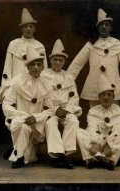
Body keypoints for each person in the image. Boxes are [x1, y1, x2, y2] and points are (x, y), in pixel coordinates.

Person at [67, 8, 120, 108]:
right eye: (101, 25)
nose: (104, 27)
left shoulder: (117, 44)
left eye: (106, 25)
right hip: (95, 86)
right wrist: (67, 81)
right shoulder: (91, 44)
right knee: (95, 116)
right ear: (98, 28)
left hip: (113, 87)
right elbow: (77, 64)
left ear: (110, 28)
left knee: (114, 116)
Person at [2, 45, 54, 169]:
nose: (35, 67)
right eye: (32, 64)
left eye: (38, 64)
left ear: (42, 67)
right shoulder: (17, 81)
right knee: (24, 129)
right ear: (28, 66)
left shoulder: (47, 85)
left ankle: (18, 152)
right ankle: (18, 156)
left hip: (37, 125)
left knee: (30, 158)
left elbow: (50, 109)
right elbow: (6, 104)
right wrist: (21, 116)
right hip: (20, 121)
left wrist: (36, 117)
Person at [77, 74, 120, 170]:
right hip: (96, 142)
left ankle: (99, 158)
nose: (106, 97)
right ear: (99, 97)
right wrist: (96, 143)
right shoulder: (93, 111)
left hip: (112, 143)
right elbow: (92, 129)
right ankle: (99, 160)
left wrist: (108, 144)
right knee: (79, 132)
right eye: (103, 95)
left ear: (113, 97)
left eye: (109, 95)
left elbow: (117, 131)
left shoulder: (119, 111)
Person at [42, 39, 82, 169]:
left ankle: (66, 154)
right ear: (51, 60)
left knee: (73, 121)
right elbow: (42, 96)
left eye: (60, 60)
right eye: (55, 60)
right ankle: (56, 154)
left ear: (64, 62)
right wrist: (55, 109)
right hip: (50, 109)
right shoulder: (44, 75)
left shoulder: (68, 77)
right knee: (50, 123)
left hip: (66, 110)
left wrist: (68, 110)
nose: (58, 62)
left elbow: (73, 97)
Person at [0, 8, 48, 104]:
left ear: (34, 29)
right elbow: (7, 69)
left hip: (34, 88)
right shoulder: (14, 44)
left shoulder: (39, 46)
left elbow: (44, 70)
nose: (28, 28)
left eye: (31, 26)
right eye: (25, 26)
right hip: (16, 87)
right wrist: (7, 89)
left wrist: (43, 89)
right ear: (21, 28)